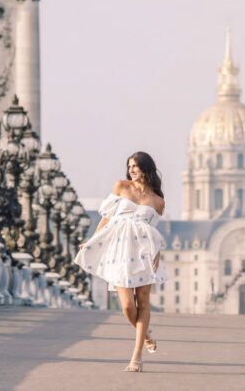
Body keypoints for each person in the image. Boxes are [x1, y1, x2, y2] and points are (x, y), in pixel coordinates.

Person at [74, 152, 167, 372]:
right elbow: (106, 217)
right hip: (120, 251)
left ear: (146, 167)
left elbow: (153, 231)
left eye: (135, 165)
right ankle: (145, 335)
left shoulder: (158, 200)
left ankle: (136, 358)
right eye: (130, 166)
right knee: (127, 305)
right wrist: (92, 240)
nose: (132, 169)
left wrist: (157, 254)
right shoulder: (121, 187)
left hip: (145, 252)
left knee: (143, 301)